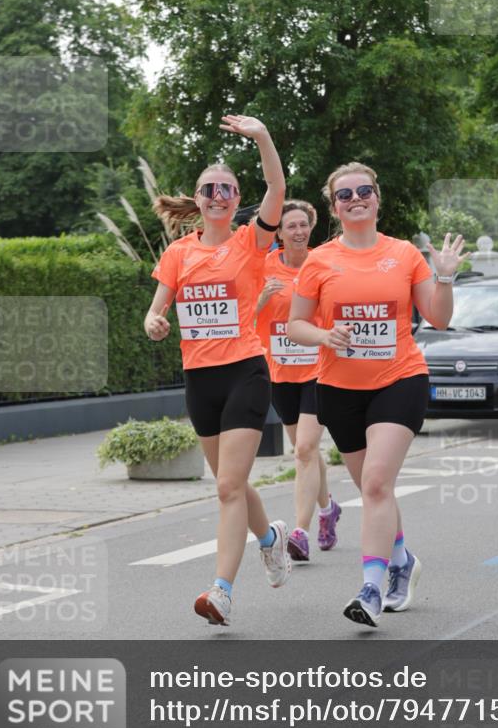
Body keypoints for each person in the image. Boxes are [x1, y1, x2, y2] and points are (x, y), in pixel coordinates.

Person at [288, 162, 468, 627]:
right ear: (334, 207)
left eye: (363, 190)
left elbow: (440, 318)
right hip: (338, 388)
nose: (355, 199)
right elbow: (296, 324)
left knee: (375, 483)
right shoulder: (320, 260)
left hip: (399, 380)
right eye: (344, 195)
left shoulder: (404, 254)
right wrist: (325, 336)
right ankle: (403, 560)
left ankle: (371, 588)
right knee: (373, 489)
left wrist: (444, 277)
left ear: (377, 197)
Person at [144, 115, 291, 627]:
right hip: (199, 380)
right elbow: (156, 309)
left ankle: (221, 591)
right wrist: (155, 321)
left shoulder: (251, 241)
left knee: (229, 486)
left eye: (227, 188)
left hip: (245, 373)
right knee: (232, 483)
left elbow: (277, 185)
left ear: (235, 198)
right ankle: (270, 539)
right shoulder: (179, 252)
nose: (218, 195)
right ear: (199, 198)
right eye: (209, 189)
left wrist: (261, 136)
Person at [255, 201, 342, 562]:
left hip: (317, 368)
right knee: (306, 452)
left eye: (303, 225)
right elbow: (244, 317)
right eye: (290, 226)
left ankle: (299, 532)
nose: (298, 231)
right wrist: (260, 299)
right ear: (279, 232)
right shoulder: (262, 267)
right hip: (280, 371)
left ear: (311, 227)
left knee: (305, 449)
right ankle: (328, 509)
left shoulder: (322, 264)